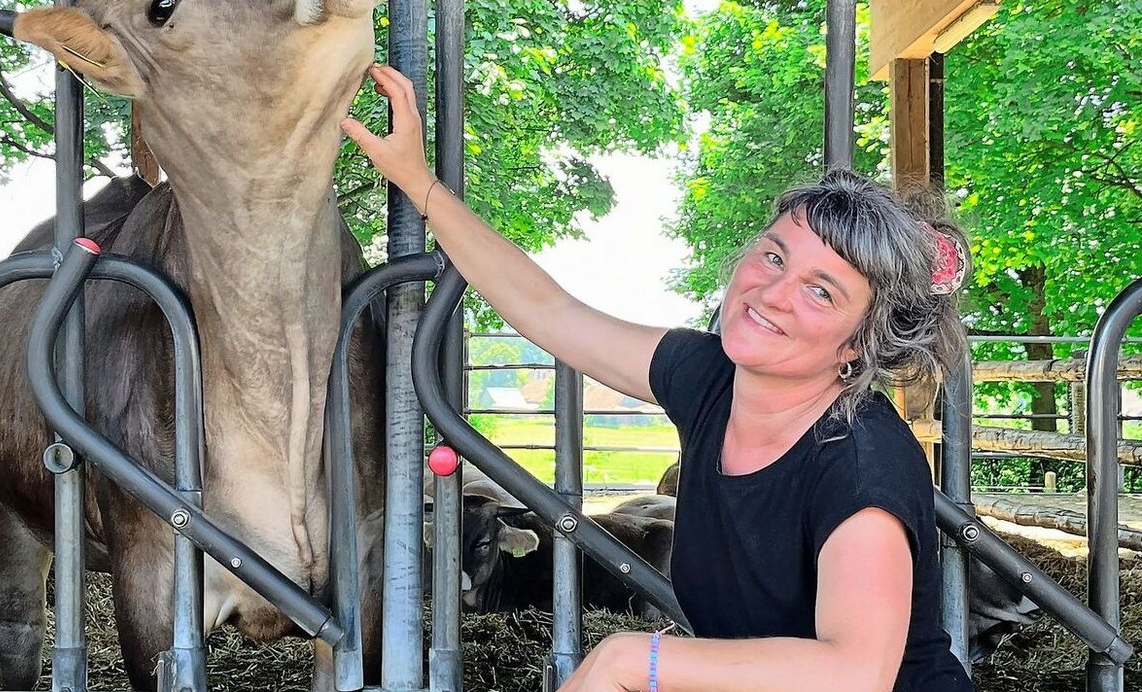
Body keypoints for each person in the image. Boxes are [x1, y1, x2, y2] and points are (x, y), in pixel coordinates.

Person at [342, 63, 975, 692]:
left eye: (820, 291)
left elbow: (855, 670)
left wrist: (634, 660)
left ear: (859, 344)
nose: (773, 292)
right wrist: (418, 184)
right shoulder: (708, 378)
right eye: (774, 255)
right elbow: (549, 310)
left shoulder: (862, 462)